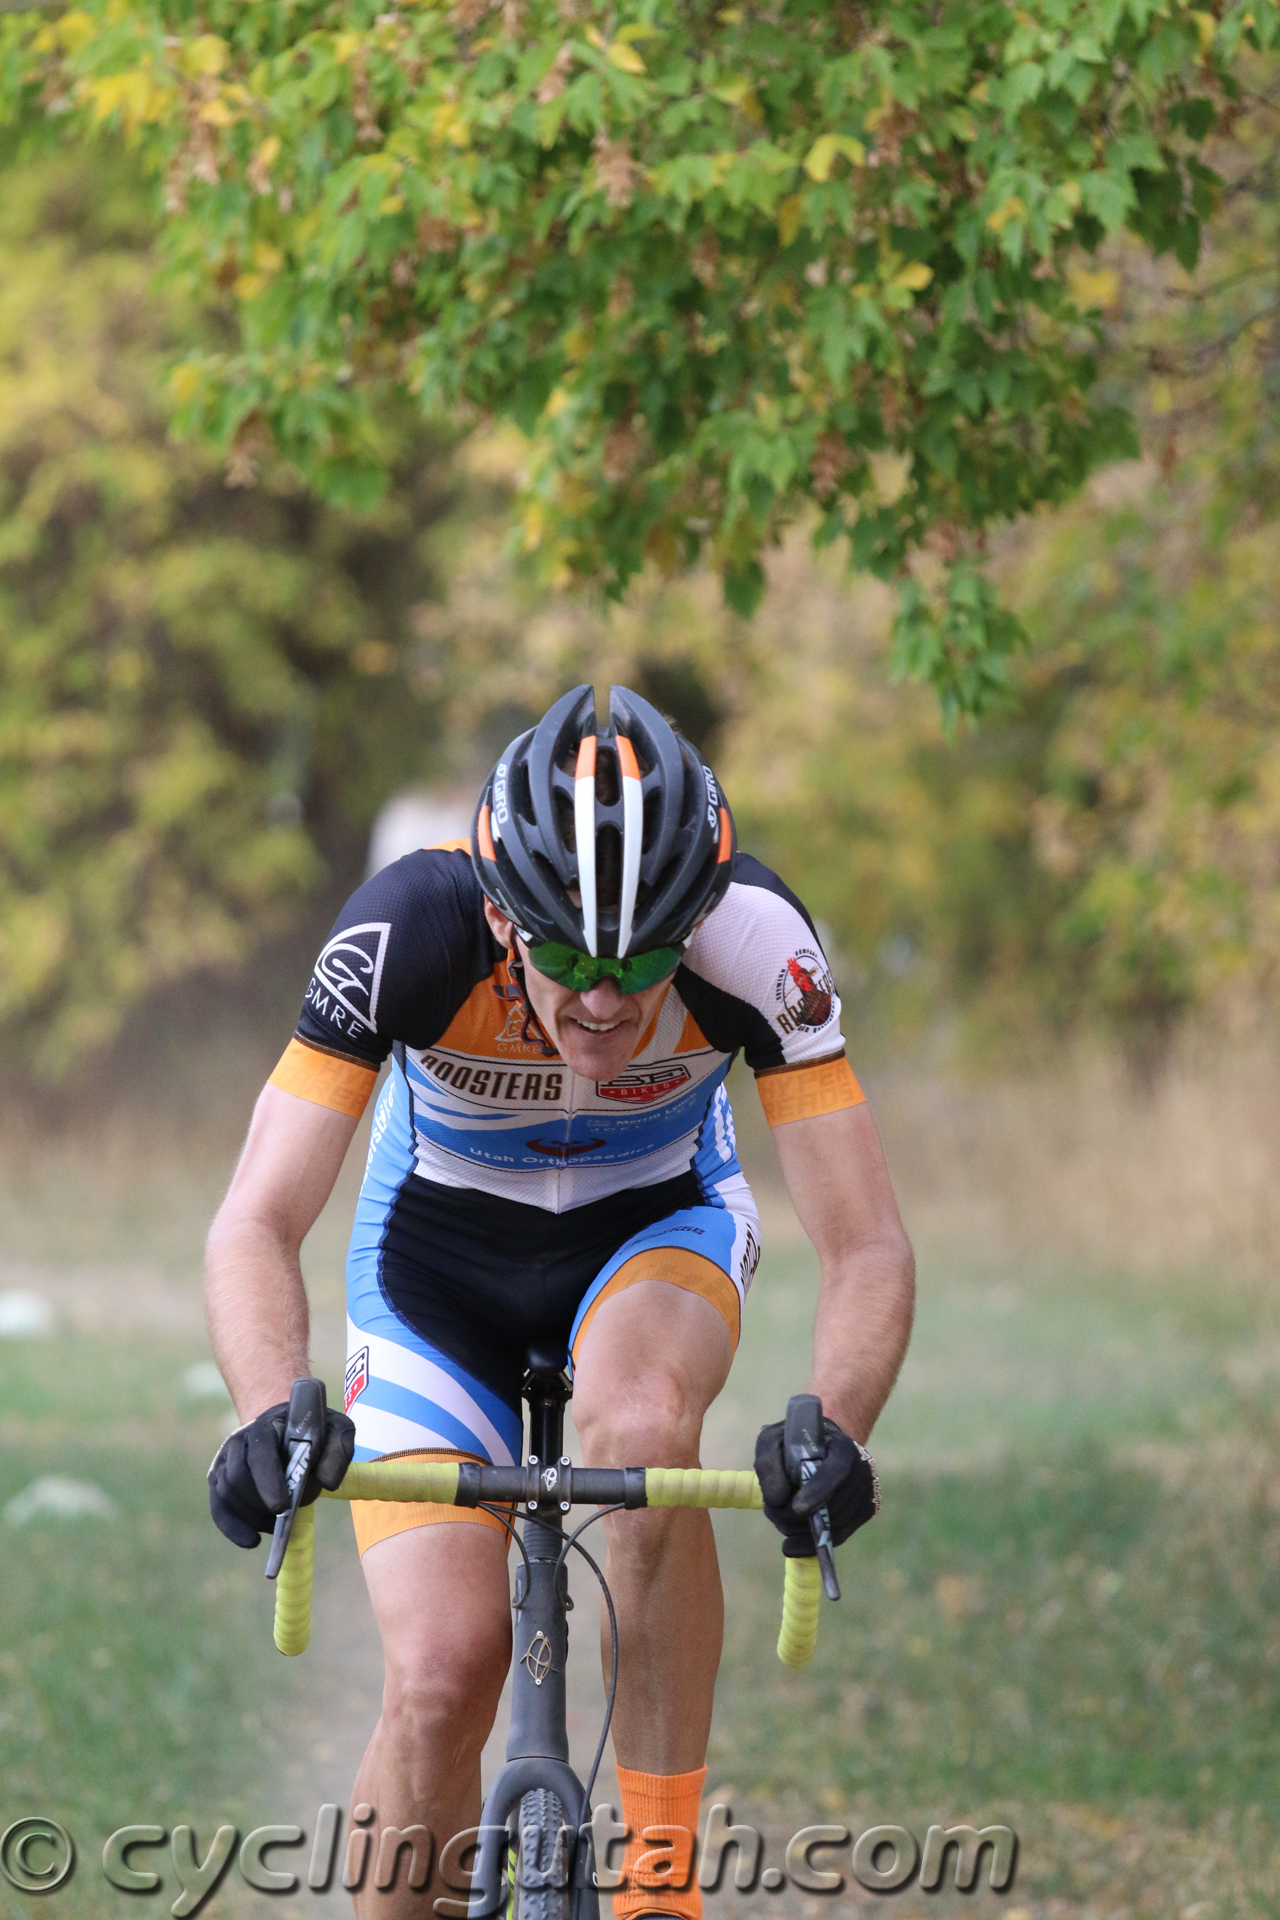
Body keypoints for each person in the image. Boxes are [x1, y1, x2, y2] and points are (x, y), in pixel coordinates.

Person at [205, 683, 915, 1920]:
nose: (604, 998)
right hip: (435, 1265)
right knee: (439, 1675)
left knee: (639, 1425)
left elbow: (864, 1244)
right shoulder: (407, 929)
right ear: (499, 915)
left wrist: (837, 1425)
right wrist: (267, 1408)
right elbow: (256, 1221)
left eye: (642, 959)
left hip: (657, 1231)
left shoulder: (755, 940)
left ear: (691, 922)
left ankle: (656, 1884)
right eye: (569, 959)